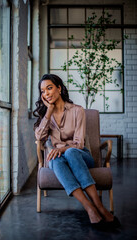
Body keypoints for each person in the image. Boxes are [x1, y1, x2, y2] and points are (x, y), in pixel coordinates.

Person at [33, 73, 120, 230]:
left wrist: (64, 148)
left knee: (71, 152)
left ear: (59, 88)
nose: (46, 93)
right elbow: (39, 136)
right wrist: (49, 111)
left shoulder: (77, 111)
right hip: (58, 157)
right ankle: (90, 209)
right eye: (43, 90)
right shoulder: (47, 113)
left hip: (80, 155)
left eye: (50, 88)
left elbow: (79, 144)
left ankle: (100, 207)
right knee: (54, 160)